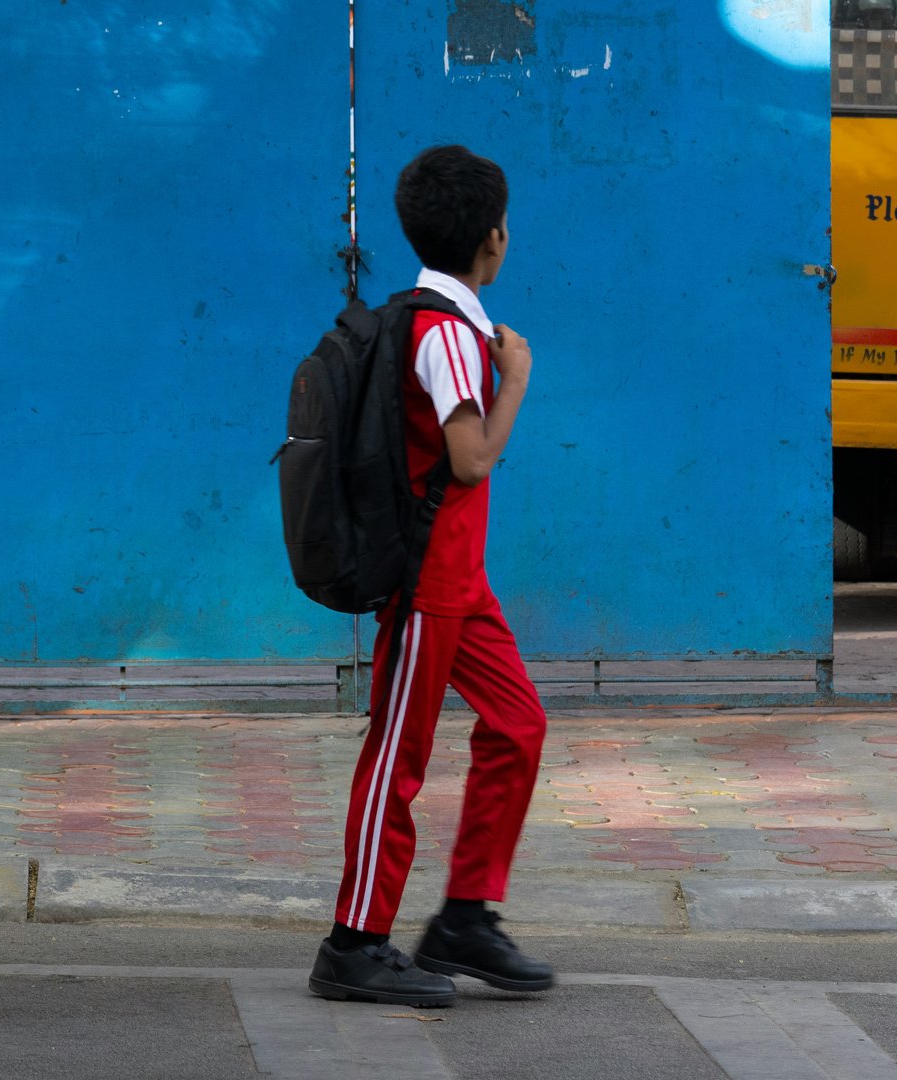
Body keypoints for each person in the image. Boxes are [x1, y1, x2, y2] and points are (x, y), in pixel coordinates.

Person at [309, 145, 553, 1008]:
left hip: (463, 584)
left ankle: (464, 918)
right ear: (495, 240)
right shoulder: (448, 335)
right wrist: (515, 381)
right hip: (427, 586)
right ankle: (355, 941)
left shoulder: (437, 318)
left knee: (519, 726)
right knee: (396, 759)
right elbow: (470, 458)